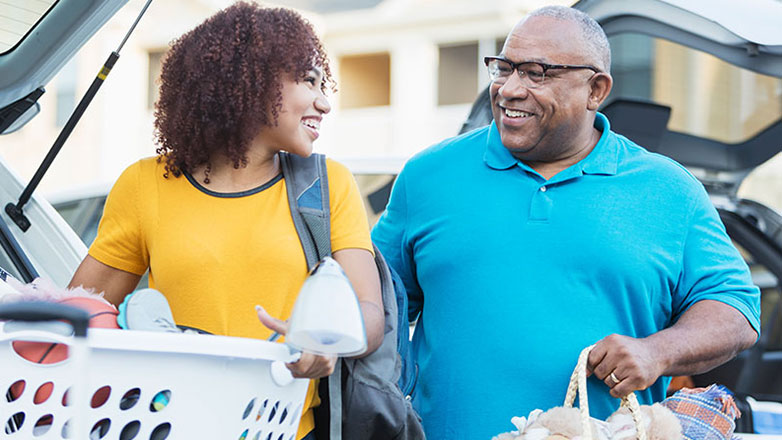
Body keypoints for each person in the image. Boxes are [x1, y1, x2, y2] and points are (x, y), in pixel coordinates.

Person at [371, 5, 761, 439]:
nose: (510, 89)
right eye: (504, 68)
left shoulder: (668, 189)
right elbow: (373, 306)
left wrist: (658, 351)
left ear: (596, 89)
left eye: (537, 73)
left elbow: (735, 310)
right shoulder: (429, 177)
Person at [68, 3, 383, 440]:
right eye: (308, 80)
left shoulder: (329, 185)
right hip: (170, 426)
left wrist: (324, 341)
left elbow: (370, 313)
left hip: (287, 429)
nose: (324, 102)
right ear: (248, 81)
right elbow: (77, 316)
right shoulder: (146, 185)